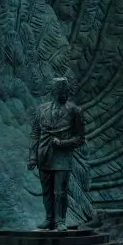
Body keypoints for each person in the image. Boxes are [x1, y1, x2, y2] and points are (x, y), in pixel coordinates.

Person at [28, 76, 85, 231]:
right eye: (60, 91)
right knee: (46, 190)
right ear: (53, 92)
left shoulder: (74, 110)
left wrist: (63, 144)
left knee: (60, 191)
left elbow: (80, 138)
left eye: (66, 90)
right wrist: (32, 156)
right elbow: (35, 133)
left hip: (62, 157)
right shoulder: (41, 109)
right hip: (44, 155)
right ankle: (49, 218)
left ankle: (60, 220)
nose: (64, 94)